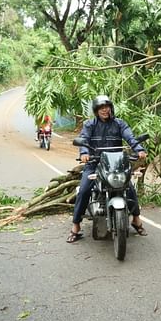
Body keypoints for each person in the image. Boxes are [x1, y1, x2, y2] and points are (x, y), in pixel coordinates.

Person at [67, 95, 148, 243]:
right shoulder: (89, 124)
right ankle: (76, 226)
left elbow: (130, 137)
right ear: (96, 111)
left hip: (116, 164)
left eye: (107, 107)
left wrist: (139, 149)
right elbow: (84, 140)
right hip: (95, 163)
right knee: (84, 190)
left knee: (129, 188)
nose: (104, 110)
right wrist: (84, 153)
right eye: (101, 108)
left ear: (111, 108)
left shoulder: (119, 123)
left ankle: (136, 220)